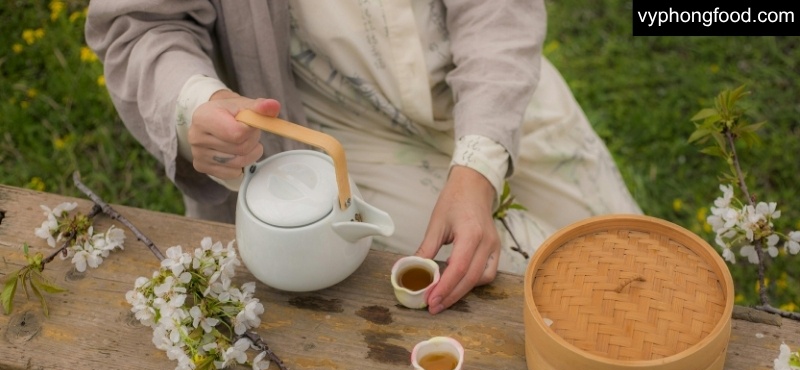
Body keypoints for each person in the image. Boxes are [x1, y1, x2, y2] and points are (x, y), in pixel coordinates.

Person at [85, 0, 640, 314]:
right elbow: (139, 26)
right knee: (510, 290)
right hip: (331, 124)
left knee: (630, 260)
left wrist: (479, 166)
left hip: (489, 85)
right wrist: (195, 102)